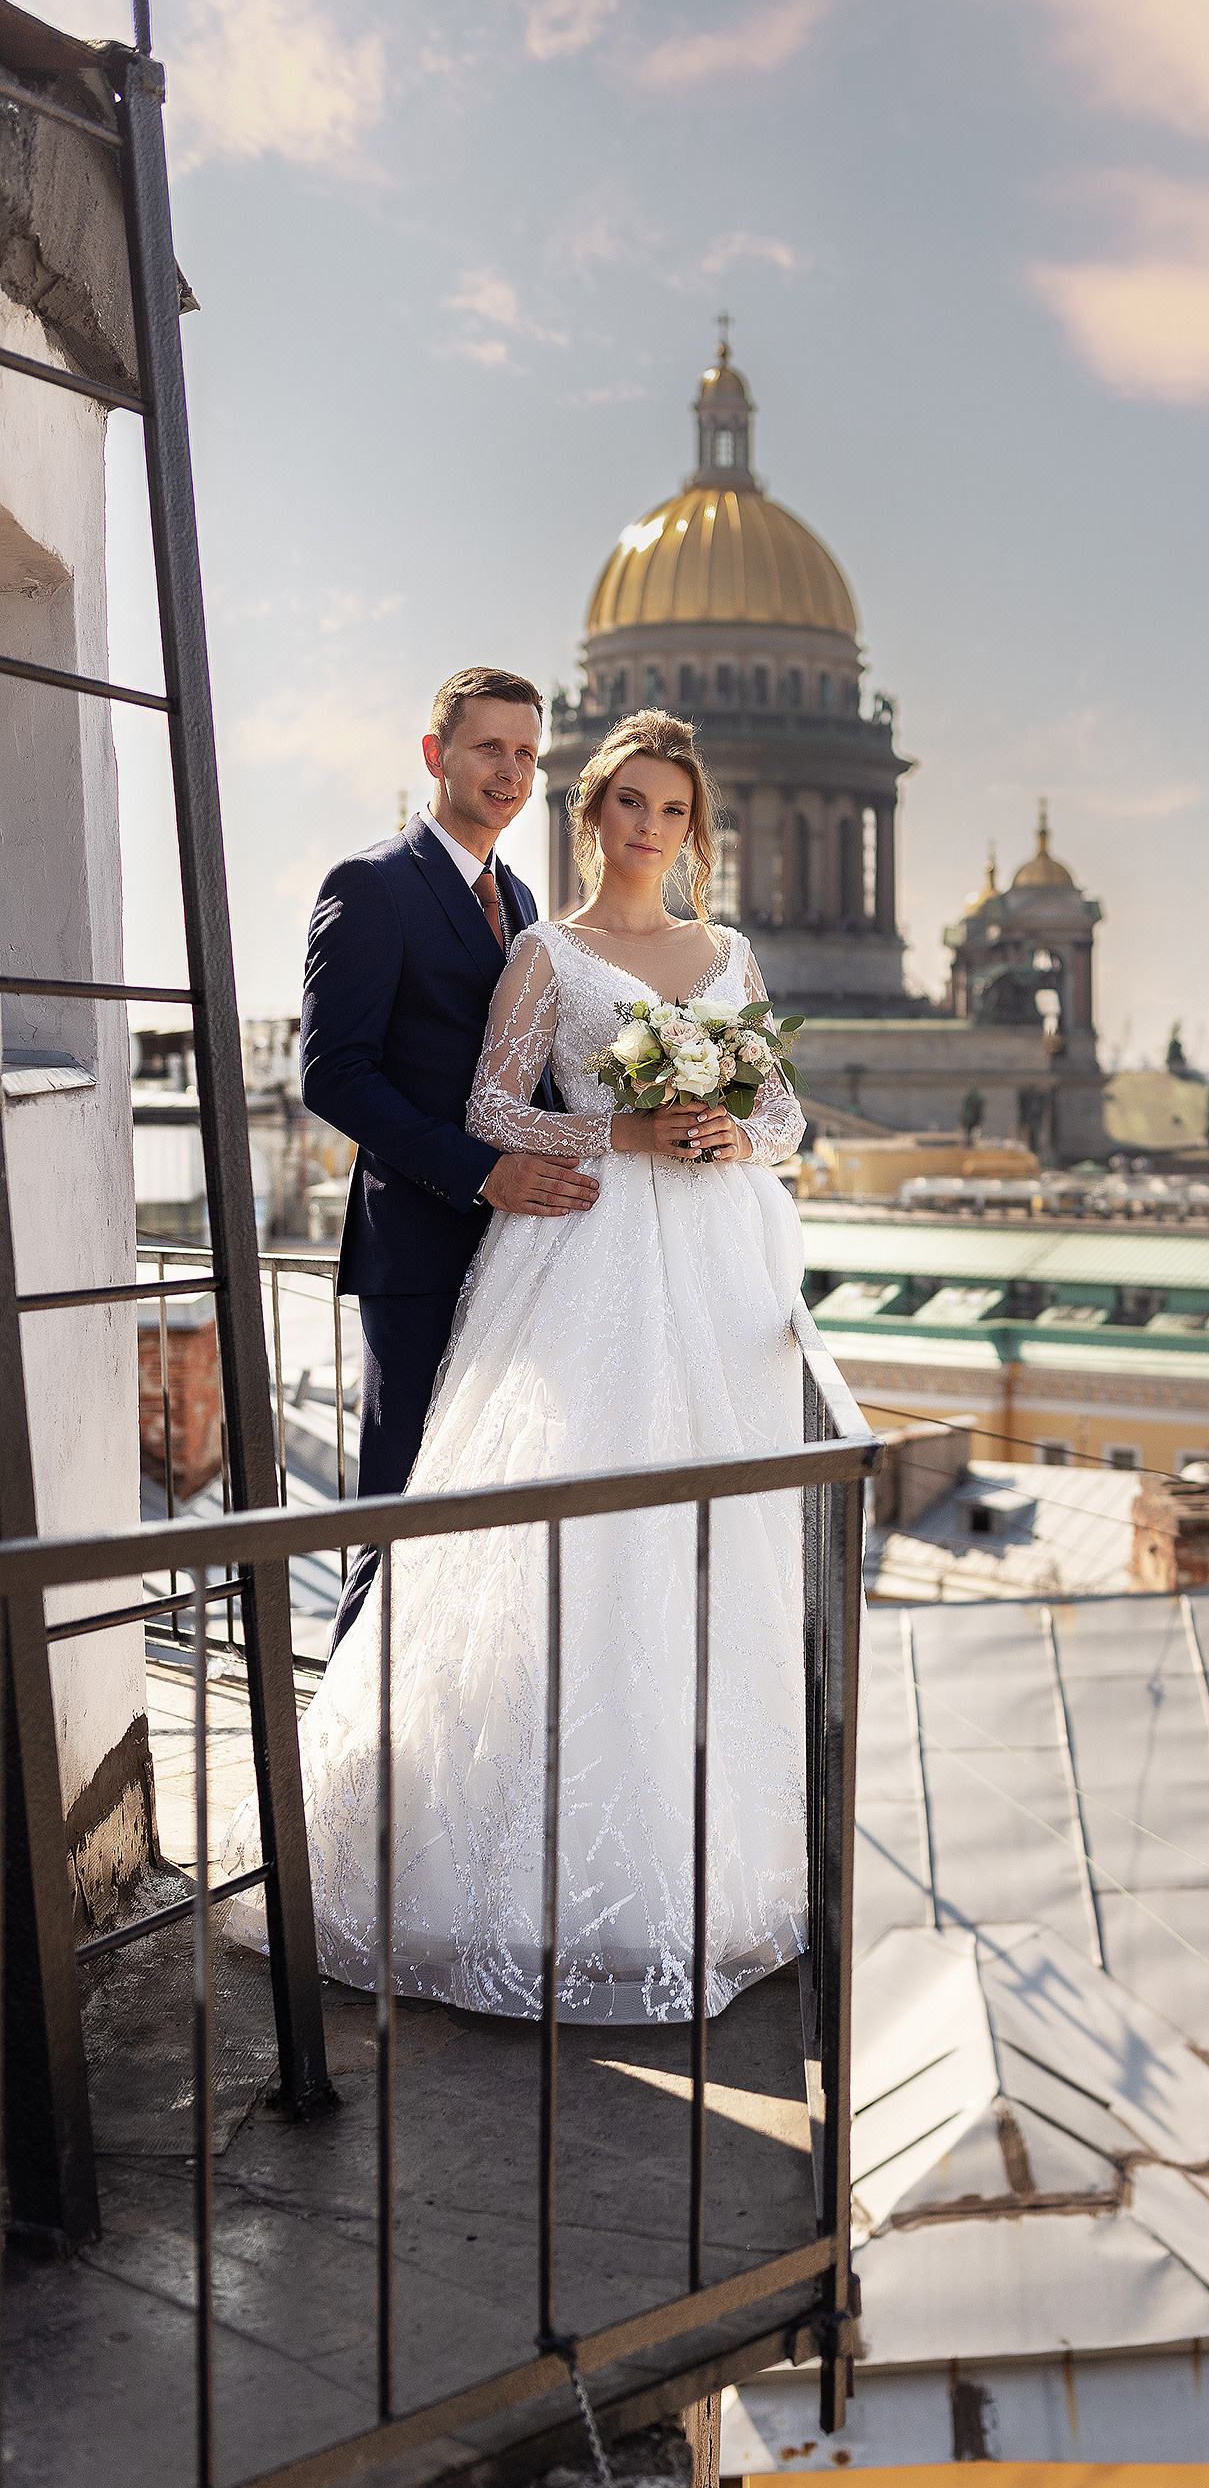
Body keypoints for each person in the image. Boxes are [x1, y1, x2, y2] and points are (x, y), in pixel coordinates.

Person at [227, 711, 807, 2024]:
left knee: (710, 1547)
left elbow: (783, 1119)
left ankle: (718, 1867)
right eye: (628, 804)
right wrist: (627, 1127)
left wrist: (727, 1132)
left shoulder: (729, 954)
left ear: (692, 828)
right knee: (553, 1543)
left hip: (718, 1277)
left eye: (671, 810)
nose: (648, 827)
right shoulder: (541, 942)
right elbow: (488, 1108)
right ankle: (490, 1866)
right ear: (593, 814)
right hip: (584, 1263)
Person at [302, 667, 599, 1651]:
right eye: (489, 749)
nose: (511, 771)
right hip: (420, 1254)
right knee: (399, 1514)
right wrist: (478, 1173)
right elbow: (334, 1076)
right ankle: (336, 1766)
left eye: (526, 753)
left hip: (512, 1254)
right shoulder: (372, 885)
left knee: (478, 1518)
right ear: (437, 756)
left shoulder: (517, 896)